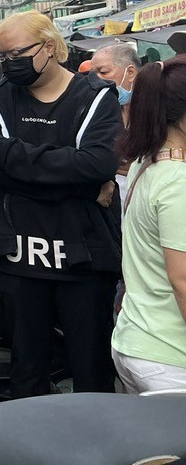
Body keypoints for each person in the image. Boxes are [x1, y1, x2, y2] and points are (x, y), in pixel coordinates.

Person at [0, 11, 122, 398]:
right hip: (19, 254)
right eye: (2, 56)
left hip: (83, 254)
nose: (7, 64)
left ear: (50, 48)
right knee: (26, 365)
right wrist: (83, 187)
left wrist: (7, 151)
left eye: (16, 53)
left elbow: (97, 163)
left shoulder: (96, 97)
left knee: (91, 367)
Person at [111, 56, 186, 393]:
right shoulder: (178, 182)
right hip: (169, 357)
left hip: (137, 338)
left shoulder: (148, 161)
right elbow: (182, 281)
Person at [90, 40, 141, 195]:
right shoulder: (99, 110)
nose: (97, 79)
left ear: (130, 72)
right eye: (94, 74)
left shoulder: (160, 107)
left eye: (104, 72)